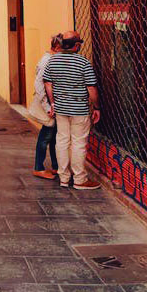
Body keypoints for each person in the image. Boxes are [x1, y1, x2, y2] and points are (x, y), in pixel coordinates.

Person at [43, 30, 101, 190]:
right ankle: (79, 179)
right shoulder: (83, 62)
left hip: (61, 109)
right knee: (78, 143)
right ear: (76, 46)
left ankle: (63, 177)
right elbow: (91, 88)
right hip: (79, 110)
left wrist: (53, 103)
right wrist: (96, 107)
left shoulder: (53, 61)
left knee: (62, 141)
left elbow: (48, 83)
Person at [30, 34, 63, 180]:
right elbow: (39, 85)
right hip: (49, 106)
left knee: (53, 136)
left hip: (52, 104)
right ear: (56, 47)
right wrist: (48, 107)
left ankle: (56, 166)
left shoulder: (51, 58)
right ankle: (39, 167)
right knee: (46, 136)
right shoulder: (48, 61)